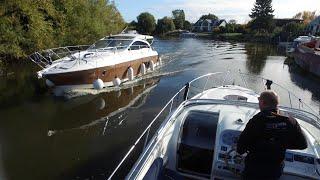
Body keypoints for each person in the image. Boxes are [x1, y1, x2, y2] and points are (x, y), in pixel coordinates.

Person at [237, 90, 307, 180]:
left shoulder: (256, 121)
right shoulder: (290, 121)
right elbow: (302, 145)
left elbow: (240, 149)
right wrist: (280, 144)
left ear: (262, 102)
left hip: (254, 169)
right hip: (274, 171)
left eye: (259, 101)